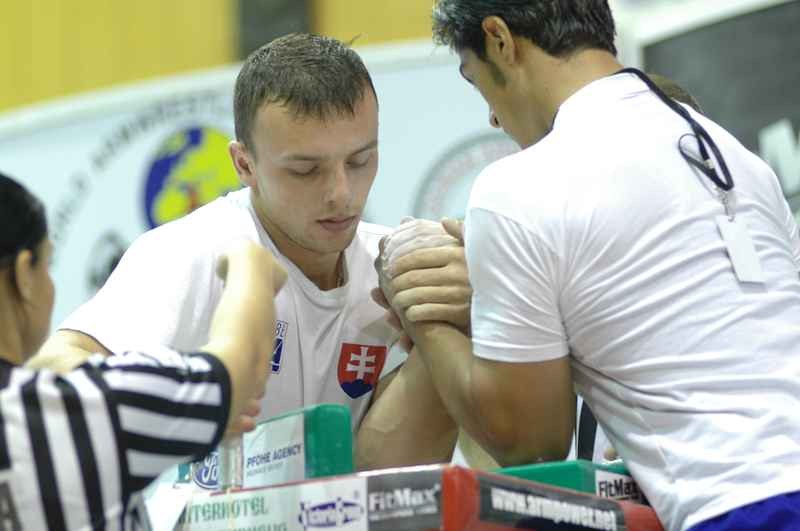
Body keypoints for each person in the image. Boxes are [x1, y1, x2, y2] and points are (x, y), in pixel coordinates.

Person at [374, 1, 800, 530]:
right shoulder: (738, 159)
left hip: (741, 506)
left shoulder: (519, 188)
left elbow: (531, 444)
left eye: (475, 80)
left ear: (500, 39)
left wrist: (420, 308)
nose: (490, 115)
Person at [38, 33, 462, 468]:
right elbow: (52, 373)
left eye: (360, 161)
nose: (341, 193)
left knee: (445, 329)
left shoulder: (394, 266)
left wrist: (459, 321)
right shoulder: (194, 250)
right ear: (244, 165)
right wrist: (207, 390)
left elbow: (392, 472)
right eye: (306, 170)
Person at [0, 172, 284, 528]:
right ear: (25, 273)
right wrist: (249, 264)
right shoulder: (91, 407)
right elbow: (244, 367)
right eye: (47, 265)